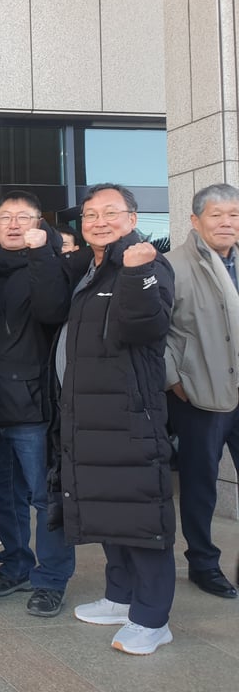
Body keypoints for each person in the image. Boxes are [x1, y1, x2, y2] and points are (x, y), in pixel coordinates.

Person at [52, 183, 176, 655]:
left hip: (128, 413)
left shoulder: (145, 263)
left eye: (110, 213)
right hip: (90, 410)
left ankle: (152, 618)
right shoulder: (93, 266)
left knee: (141, 515)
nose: (98, 221)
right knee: (108, 508)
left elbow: (144, 326)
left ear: (132, 217)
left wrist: (138, 273)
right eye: (89, 214)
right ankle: (121, 597)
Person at [0, 191, 76, 618]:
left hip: (34, 405)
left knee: (44, 497)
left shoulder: (52, 265)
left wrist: (41, 257)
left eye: (24, 217)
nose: (14, 224)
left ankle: (51, 579)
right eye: (5, 217)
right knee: (3, 496)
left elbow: (53, 310)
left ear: (40, 223)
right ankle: (15, 565)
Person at [164, 183, 239, 599]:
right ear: (195, 221)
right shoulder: (173, 265)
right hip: (199, 395)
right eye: (217, 214)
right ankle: (203, 563)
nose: (227, 222)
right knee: (200, 485)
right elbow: (160, 333)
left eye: (233, 214)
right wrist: (175, 380)